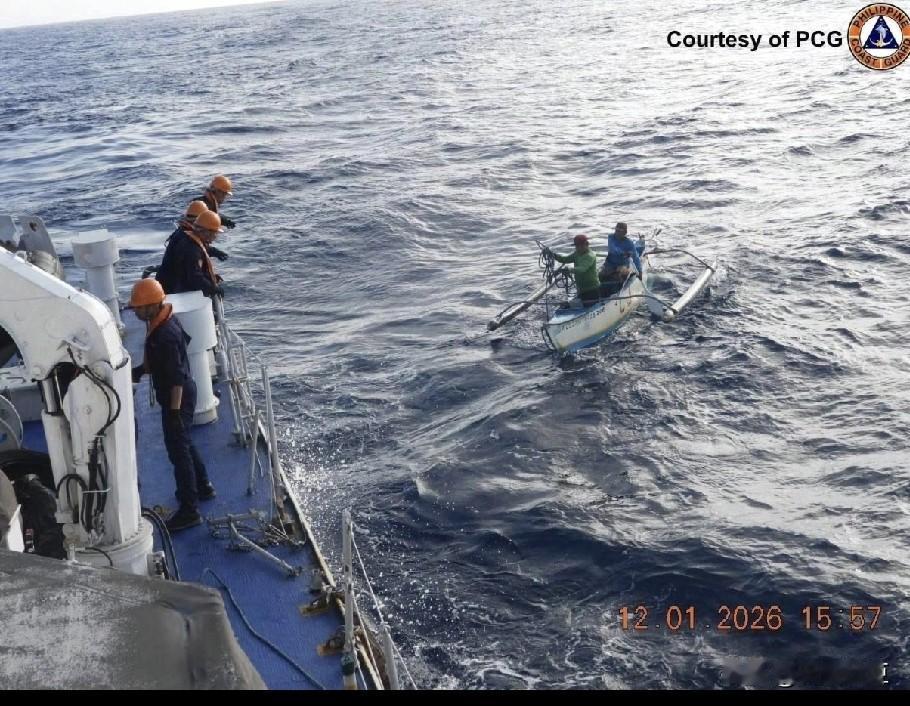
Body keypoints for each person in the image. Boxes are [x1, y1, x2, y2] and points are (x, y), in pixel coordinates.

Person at [128, 278, 215, 532]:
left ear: (152, 306)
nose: (135, 312)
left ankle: (190, 510)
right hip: (184, 391)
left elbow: (175, 376)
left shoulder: (164, 334)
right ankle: (203, 486)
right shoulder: (166, 320)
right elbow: (166, 358)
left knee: (178, 452)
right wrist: (139, 372)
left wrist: (175, 412)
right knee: (185, 442)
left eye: (139, 308)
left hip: (178, 396)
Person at [170, 210, 226, 298]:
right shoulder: (192, 250)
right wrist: (212, 288)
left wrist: (215, 252)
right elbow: (194, 276)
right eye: (215, 233)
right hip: (183, 293)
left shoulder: (189, 241)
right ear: (206, 232)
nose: (215, 237)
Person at [156, 200, 208, 294]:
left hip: (167, 282)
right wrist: (211, 288)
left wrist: (212, 251)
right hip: (173, 289)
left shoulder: (182, 232)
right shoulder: (187, 242)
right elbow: (193, 274)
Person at [546, 234, 600, 307]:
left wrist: (569, 269)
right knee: (580, 305)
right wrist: (553, 255)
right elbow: (564, 259)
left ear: (586, 244)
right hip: (581, 289)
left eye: (579, 245)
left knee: (588, 306)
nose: (577, 248)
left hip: (592, 289)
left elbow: (582, 269)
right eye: (576, 246)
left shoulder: (590, 256)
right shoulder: (576, 254)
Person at [599, 222, 642, 293]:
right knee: (600, 275)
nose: (617, 233)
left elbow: (636, 258)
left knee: (619, 277)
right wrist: (624, 253)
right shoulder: (611, 237)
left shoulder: (629, 243)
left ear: (625, 232)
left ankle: (617, 292)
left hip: (622, 265)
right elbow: (613, 249)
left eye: (619, 231)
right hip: (610, 264)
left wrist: (640, 271)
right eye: (616, 230)